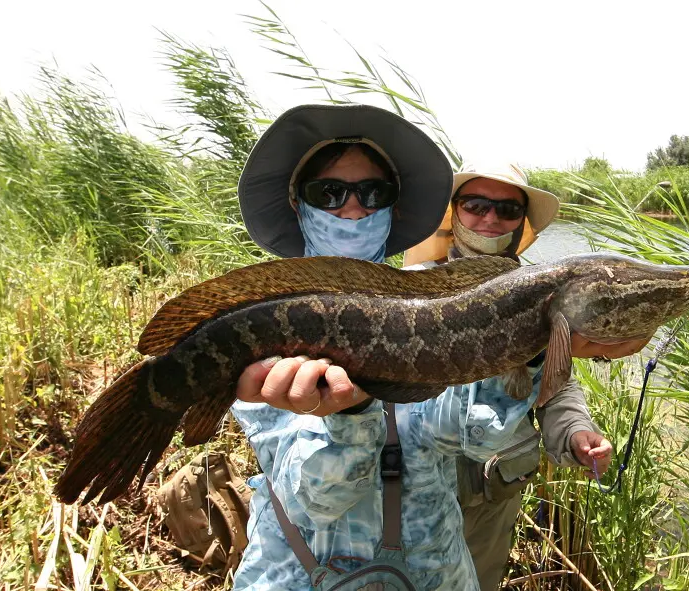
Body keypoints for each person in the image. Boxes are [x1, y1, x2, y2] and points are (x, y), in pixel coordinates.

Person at [231, 103, 550, 590]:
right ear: (299, 202)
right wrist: (347, 415)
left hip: (431, 571)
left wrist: (533, 344)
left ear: (394, 204)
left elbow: (476, 436)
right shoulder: (265, 316)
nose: (353, 207)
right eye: (330, 192)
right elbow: (313, 501)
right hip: (295, 573)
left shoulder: (435, 303)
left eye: (373, 192)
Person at [403, 162, 650, 590]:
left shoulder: (547, 293)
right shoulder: (408, 295)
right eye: (475, 204)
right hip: (414, 491)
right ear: (453, 213)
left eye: (507, 209)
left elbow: (557, 386)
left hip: (492, 496)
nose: (490, 218)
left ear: (521, 224)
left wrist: (575, 432)